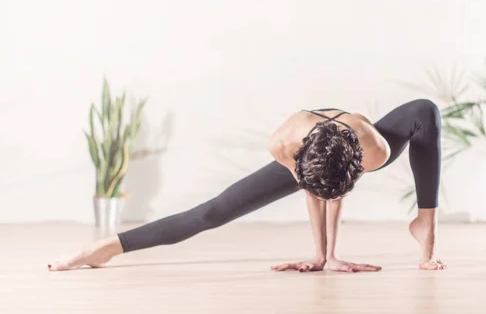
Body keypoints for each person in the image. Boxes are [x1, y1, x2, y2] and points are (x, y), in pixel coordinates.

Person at [48, 99, 446, 272]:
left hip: (347, 147)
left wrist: (332, 256)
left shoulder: (373, 148)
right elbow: (316, 192)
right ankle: (104, 248)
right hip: (314, 152)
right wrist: (322, 255)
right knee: (212, 212)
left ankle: (425, 224)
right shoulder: (284, 142)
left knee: (424, 112)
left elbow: (333, 193)